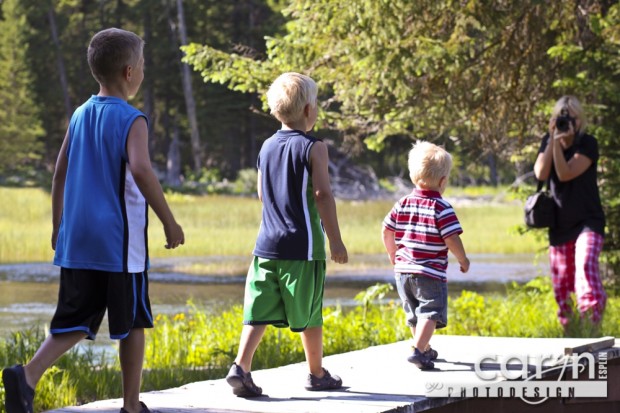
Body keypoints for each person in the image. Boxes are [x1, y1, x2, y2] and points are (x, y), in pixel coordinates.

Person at [2, 28, 185, 413]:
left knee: (75, 318)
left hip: (78, 239)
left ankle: (27, 375)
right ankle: (131, 406)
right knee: (134, 320)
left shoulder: (80, 113)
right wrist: (168, 220)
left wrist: (58, 226)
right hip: (118, 243)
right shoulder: (133, 119)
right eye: (144, 65)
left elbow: (59, 173)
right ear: (130, 72)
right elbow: (140, 169)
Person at [224, 72, 348, 398]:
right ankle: (317, 373)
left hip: (265, 245)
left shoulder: (266, 147)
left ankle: (241, 366)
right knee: (310, 309)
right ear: (309, 110)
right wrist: (335, 240)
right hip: (302, 246)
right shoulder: (314, 147)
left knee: (259, 311)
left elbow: (262, 194)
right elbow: (322, 195)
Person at [382, 141, 469, 370]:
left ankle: (424, 348)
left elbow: (386, 230)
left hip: (403, 272)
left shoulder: (402, 203)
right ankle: (419, 351)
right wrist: (463, 259)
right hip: (429, 272)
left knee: (414, 312)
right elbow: (452, 238)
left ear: (413, 177)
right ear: (442, 181)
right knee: (430, 311)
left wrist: (393, 254)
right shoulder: (442, 208)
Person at [533, 95, 606, 329]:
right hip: (560, 226)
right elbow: (541, 174)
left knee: (585, 265)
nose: (567, 123)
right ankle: (572, 332)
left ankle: (592, 324)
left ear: (579, 119)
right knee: (563, 284)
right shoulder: (549, 140)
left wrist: (563, 142)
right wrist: (553, 140)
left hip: (588, 222)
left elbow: (565, 173)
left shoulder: (587, 143)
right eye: (562, 119)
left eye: (571, 118)